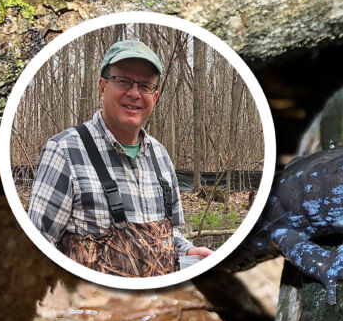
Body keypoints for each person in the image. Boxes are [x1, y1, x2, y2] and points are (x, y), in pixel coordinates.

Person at [28, 39, 213, 277]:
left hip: (160, 308)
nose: (134, 93)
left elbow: (170, 235)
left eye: (145, 86)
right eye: (124, 81)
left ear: (154, 97)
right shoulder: (64, 151)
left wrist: (187, 251)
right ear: (103, 87)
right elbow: (37, 246)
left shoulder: (161, 156)